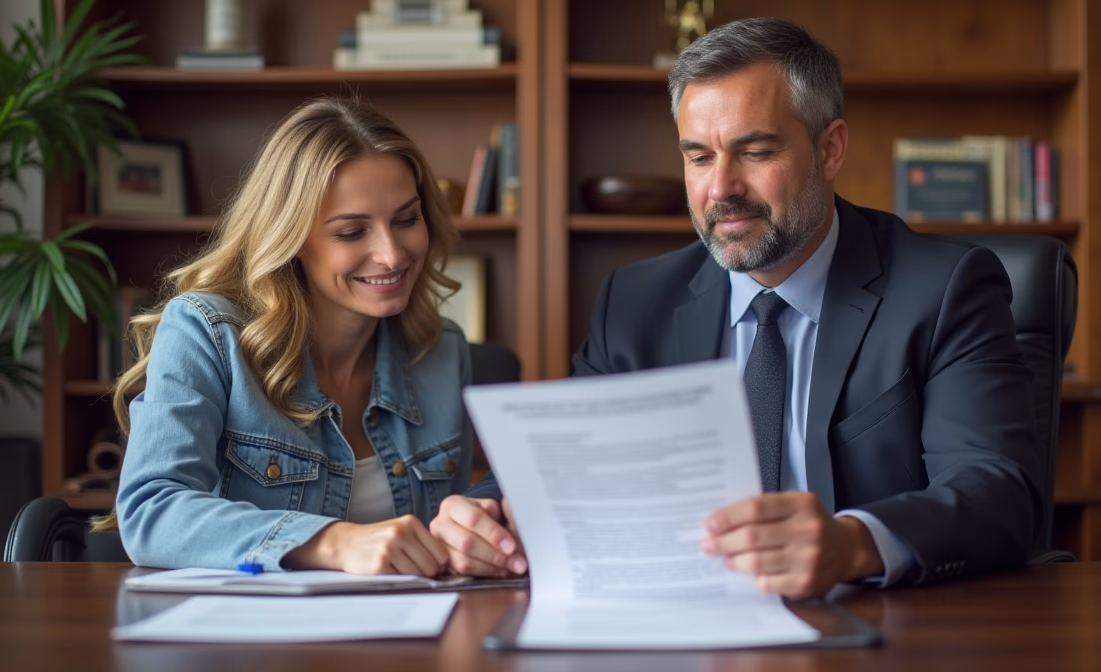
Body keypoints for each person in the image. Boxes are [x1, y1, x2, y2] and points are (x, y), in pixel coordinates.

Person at [431, 17, 1043, 598]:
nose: (720, 189)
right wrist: (483, 512)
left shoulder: (943, 288)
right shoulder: (636, 303)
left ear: (830, 149)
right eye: (699, 157)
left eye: (755, 152)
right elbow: (563, 468)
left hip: (871, 624)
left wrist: (853, 543)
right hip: (680, 625)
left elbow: (996, 490)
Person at [101, 96, 472, 575]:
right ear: (291, 239)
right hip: (246, 638)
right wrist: (333, 543)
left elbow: (450, 535)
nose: (392, 255)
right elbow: (151, 513)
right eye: (351, 232)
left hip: (406, 634)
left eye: (406, 220)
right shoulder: (206, 332)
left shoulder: (442, 350)